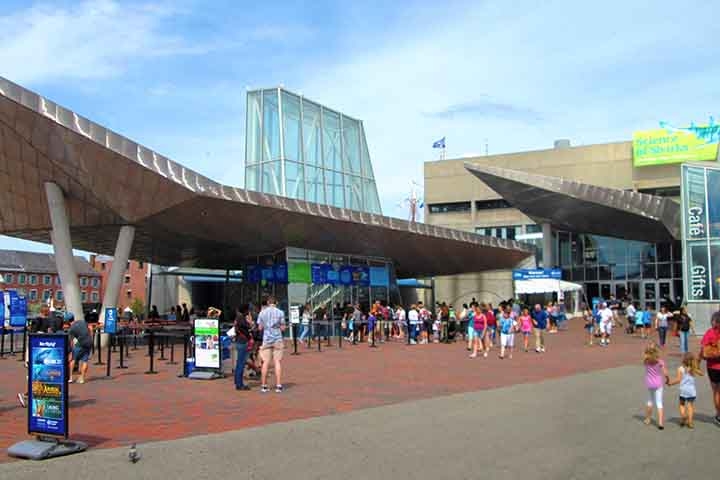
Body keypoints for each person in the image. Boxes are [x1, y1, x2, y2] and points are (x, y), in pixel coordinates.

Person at [257, 296, 286, 393]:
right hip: (277, 339)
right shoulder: (280, 312)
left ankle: (264, 386)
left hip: (266, 339)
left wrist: (266, 326)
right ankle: (278, 385)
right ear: (276, 302)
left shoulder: (262, 313)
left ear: (268, 302)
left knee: (265, 362)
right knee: (277, 362)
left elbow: (260, 328)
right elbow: (283, 328)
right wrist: (278, 326)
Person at [666, 352, 703, 429]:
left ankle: (683, 416)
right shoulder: (693, 369)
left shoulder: (680, 369)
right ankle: (690, 422)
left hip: (683, 390)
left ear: (683, 360)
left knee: (681, 404)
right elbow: (701, 374)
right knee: (690, 406)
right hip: (691, 391)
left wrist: (670, 383)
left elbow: (678, 380)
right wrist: (697, 367)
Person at [698, 311, 720, 425]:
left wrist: (697, 363)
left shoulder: (709, 333)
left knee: (716, 392)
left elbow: (702, 350)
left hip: (713, 367)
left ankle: (719, 415)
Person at [643, 342, 668, 430]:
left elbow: (645, 355)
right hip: (658, 384)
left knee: (650, 401)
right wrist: (667, 379)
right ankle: (660, 422)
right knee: (659, 402)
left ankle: (648, 419)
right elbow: (665, 373)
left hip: (649, 383)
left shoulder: (646, 361)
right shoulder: (660, 362)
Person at [67, 312, 93, 384]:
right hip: (89, 342)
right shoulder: (82, 321)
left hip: (80, 343)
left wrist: (71, 351)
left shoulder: (71, 329)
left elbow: (71, 341)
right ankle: (82, 378)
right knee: (85, 360)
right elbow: (90, 327)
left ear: (67, 321)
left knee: (73, 359)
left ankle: (70, 378)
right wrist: (91, 336)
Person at [232, 306, 253, 391]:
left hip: (238, 341)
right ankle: (239, 384)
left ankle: (237, 382)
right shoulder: (241, 318)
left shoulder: (238, 318)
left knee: (239, 363)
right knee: (241, 363)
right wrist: (250, 318)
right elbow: (249, 326)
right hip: (242, 342)